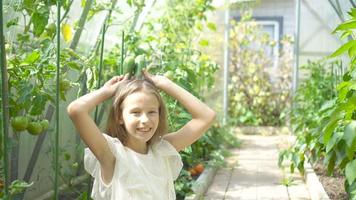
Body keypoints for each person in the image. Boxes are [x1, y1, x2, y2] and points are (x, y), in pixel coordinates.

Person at [67, 70, 216, 200]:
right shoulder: (111, 154)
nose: (145, 120)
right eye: (135, 112)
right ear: (119, 116)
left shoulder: (161, 150)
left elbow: (206, 116)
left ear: (159, 114)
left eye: (152, 112)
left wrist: (165, 84)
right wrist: (107, 91)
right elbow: (76, 110)